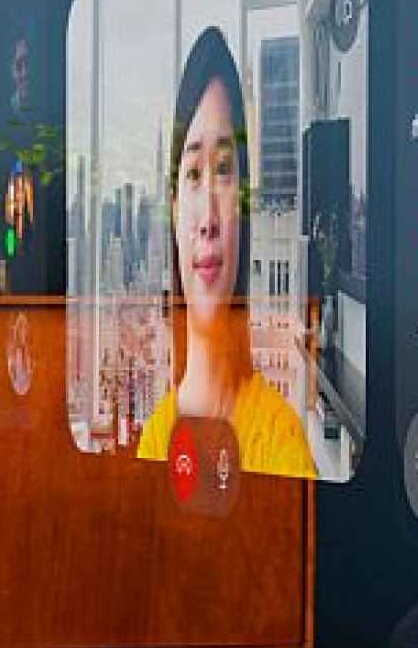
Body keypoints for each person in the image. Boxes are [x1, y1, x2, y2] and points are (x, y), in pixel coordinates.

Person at [134, 27, 316, 480]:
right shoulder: (153, 440)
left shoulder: (282, 445)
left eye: (224, 169)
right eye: (193, 174)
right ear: (174, 208)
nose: (209, 218)